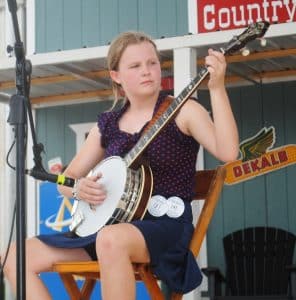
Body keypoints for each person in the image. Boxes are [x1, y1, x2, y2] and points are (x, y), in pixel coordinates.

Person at [2, 31, 239, 300]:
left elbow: (229, 152)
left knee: (110, 239)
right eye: (135, 66)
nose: (147, 71)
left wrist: (217, 88)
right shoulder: (108, 124)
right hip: (110, 228)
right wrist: (78, 189)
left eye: (152, 63)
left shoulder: (183, 110)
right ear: (116, 75)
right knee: (13, 256)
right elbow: (67, 180)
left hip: (164, 228)